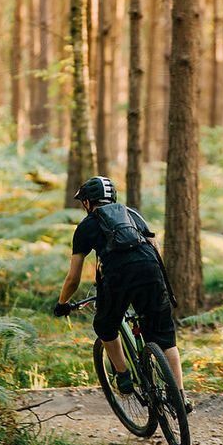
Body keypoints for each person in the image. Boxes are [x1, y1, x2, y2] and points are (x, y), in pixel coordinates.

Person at [54, 175, 192, 412]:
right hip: (151, 270)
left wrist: (62, 303)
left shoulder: (86, 227)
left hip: (118, 277)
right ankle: (180, 396)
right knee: (164, 337)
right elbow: (154, 248)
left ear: (88, 202)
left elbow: (73, 277)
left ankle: (124, 376)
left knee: (106, 326)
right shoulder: (133, 214)